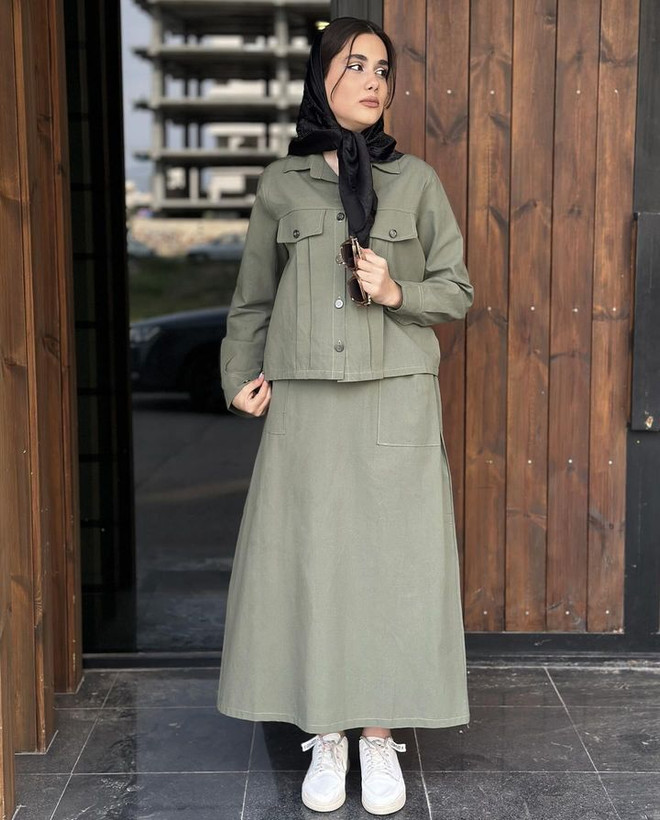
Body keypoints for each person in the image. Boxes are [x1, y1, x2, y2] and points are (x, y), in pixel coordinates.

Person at [216, 16, 474, 816]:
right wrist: (238, 373)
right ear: (321, 76)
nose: (372, 81)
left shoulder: (416, 181)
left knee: (394, 570)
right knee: (313, 567)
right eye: (355, 65)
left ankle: (378, 736)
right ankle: (326, 732)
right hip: (308, 405)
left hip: (396, 397)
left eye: (383, 69)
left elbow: (456, 291)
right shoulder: (282, 184)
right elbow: (252, 297)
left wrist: (396, 290)